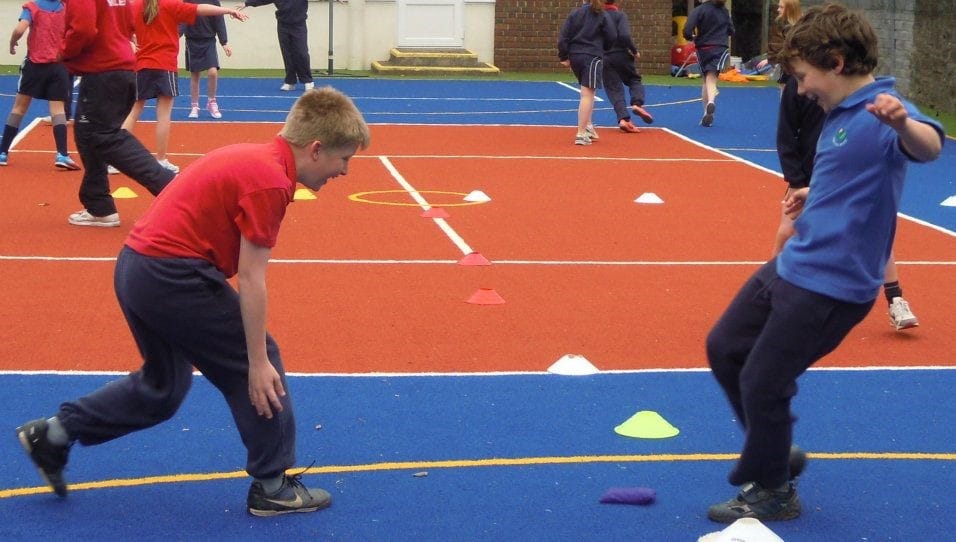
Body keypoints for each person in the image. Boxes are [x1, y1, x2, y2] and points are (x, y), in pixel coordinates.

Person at [15, 86, 371, 516]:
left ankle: (53, 434)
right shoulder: (271, 180)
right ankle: (272, 487)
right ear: (316, 149)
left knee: (163, 387)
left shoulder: (255, 157)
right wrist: (256, 361)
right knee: (259, 363)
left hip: (137, 267)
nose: (345, 171)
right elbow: (253, 278)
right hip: (170, 273)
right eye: (344, 159)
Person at [705, 3, 943, 524]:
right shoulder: (838, 117)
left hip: (834, 285)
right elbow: (851, 179)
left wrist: (903, 124)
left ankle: (774, 489)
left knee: (764, 380)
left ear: (835, 62)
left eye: (803, 75)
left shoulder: (884, 111)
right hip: (796, 263)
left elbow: (929, 147)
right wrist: (813, 193)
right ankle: (776, 454)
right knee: (725, 348)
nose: (801, 87)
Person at [773, 75, 919, 330]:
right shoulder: (799, 85)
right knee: (787, 231)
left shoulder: (852, 85)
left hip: (847, 176)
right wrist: (795, 180)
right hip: (808, 175)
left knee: (875, 233)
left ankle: (896, 300)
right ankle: (770, 295)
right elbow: (786, 135)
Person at [60, 0, 177, 227]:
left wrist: (63, 51)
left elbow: (83, 28)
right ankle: (99, 206)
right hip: (117, 67)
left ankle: (171, 187)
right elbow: (131, 20)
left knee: (106, 137)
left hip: (104, 70)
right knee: (87, 135)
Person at [119, 0, 247, 174]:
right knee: (163, 115)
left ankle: (114, 160)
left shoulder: (134, 6)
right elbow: (201, 8)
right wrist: (228, 11)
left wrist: (130, 41)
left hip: (142, 65)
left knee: (134, 111)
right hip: (164, 65)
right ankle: (161, 160)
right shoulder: (170, 5)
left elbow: (119, 27)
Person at [0, 0, 80, 170]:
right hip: (58, 65)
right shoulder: (65, 8)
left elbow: (20, 29)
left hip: (34, 65)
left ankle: (3, 152)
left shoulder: (32, 7)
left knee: (19, 108)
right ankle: (62, 154)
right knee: (58, 110)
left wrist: (13, 42)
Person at [558, 0, 615, 145]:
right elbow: (612, 35)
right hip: (592, 56)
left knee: (589, 92)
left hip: (575, 56)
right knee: (587, 94)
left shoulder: (575, 13)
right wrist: (604, 48)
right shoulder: (602, 14)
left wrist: (564, 56)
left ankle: (588, 126)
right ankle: (581, 133)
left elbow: (564, 36)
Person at [601, 0, 653, 133]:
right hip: (621, 54)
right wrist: (634, 50)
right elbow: (624, 35)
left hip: (604, 57)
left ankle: (623, 119)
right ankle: (637, 103)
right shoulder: (619, 15)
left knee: (614, 89)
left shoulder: (597, 16)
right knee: (634, 80)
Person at [240, 0, 313, 92]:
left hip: (299, 24)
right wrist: (247, 3)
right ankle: (290, 81)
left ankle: (308, 81)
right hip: (283, 24)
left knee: (301, 53)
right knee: (287, 54)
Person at [682, 0, 734, 127]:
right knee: (711, 77)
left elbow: (687, 29)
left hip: (703, 48)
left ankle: (706, 112)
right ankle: (711, 101)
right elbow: (731, 30)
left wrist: (692, 37)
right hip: (719, 47)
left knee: (706, 79)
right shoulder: (724, 11)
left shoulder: (699, 10)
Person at [181, 0, 233, 119]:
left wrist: (224, 42)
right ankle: (194, 106)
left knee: (213, 72)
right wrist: (175, 35)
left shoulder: (214, 1)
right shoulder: (186, 1)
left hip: (209, 40)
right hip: (192, 41)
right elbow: (182, 20)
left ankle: (212, 102)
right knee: (195, 75)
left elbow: (219, 21)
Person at [757, 0, 802, 84]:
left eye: (781, 7)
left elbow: (785, 48)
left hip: (792, 67)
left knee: (786, 88)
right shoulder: (789, 26)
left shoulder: (792, 29)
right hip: (789, 67)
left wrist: (771, 59)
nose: (778, 9)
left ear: (789, 9)